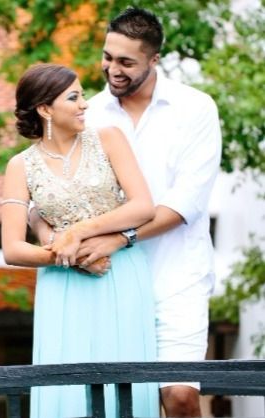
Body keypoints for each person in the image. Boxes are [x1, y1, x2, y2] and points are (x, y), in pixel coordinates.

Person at [31, 7, 222, 417]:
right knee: (115, 403)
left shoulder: (196, 109)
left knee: (180, 395)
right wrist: (58, 243)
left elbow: (184, 201)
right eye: (107, 57)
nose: (111, 69)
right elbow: (41, 191)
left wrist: (117, 238)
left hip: (178, 277)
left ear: (154, 60)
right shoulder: (88, 112)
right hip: (106, 281)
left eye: (126, 62)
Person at [1, 63, 159, 418]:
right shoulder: (20, 166)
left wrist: (77, 233)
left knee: (127, 380)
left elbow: (143, 206)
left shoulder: (108, 139)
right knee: (68, 388)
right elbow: (12, 248)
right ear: (45, 109)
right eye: (74, 97)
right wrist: (68, 255)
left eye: (83, 95)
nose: (85, 104)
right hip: (63, 288)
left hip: (120, 274)